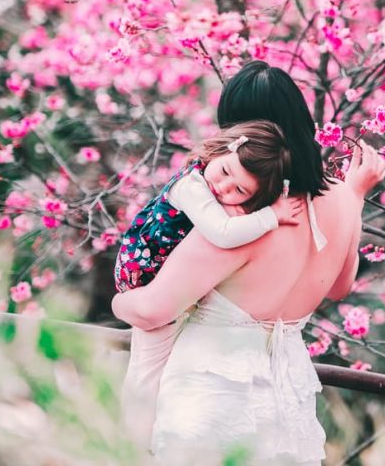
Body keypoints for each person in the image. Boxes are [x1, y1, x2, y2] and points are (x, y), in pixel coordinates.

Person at [112, 62, 385, 464]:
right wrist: (356, 196)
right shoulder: (344, 199)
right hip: (285, 405)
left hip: (211, 400)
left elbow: (153, 310)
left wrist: (120, 301)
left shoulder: (239, 217)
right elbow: (340, 287)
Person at [114, 119, 299, 451]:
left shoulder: (207, 181)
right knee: (148, 367)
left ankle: (142, 440)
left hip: (160, 273)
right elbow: (223, 233)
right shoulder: (190, 186)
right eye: (225, 171)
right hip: (143, 273)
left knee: (159, 364)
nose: (224, 188)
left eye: (240, 191)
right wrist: (271, 217)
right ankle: (132, 445)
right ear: (219, 149)